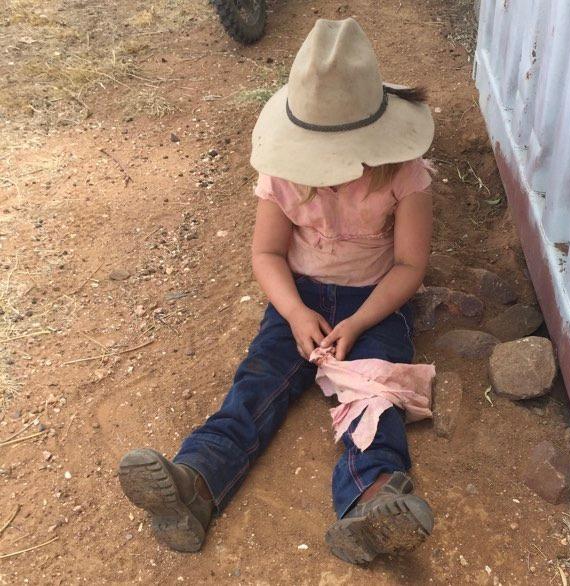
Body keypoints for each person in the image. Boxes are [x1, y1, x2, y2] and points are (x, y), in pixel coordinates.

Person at [117, 17, 436, 565]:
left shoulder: (405, 175)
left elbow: (409, 265)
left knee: (376, 394)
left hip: (376, 301)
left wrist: (359, 324)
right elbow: (266, 253)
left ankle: (373, 500)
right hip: (300, 297)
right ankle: (195, 484)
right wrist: (291, 312)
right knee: (259, 382)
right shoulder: (283, 174)